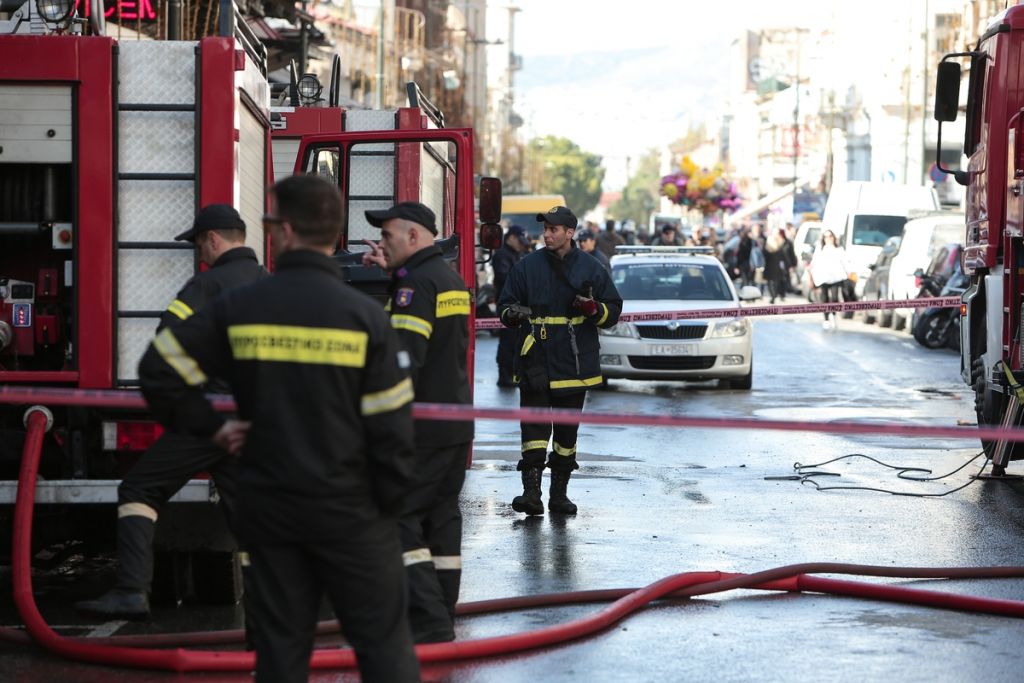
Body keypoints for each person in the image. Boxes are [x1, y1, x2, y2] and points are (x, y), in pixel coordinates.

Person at [138, 175, 421, 683]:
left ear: (282, 231)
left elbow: (160, 370)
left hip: (272, 512)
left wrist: (214, 429)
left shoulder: (240, 308)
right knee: (385, 654)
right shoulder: (364, 318)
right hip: (352, 514)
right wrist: (385, 509)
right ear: (332, 231)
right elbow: (393, 430)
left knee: (280, 658)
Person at [76, 204, 267, 619]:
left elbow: (167, 344)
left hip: (211, 420)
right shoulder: (273, 285)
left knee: (138, 489)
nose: (200, 254)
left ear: (214, 239)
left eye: (200, 244)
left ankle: (132, 590)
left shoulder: (207, 285)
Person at [362, 201, 472, 644]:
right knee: (441, 518)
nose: (381, 244)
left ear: (413, 237)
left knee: (398, 515)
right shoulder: (446, 278)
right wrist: (391, 274)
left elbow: (403, 361)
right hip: (453, 423)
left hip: (421, 428)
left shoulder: (415, 287)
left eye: (387, 236)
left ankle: (428, 621)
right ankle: (443, 609)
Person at [498, 206, 622, 516]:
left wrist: (593, 309)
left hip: (574, 361)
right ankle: (530, 494)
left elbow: (613, 312)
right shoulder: (527, 266)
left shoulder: (592, 268)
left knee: (566, 437)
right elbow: (505, 304)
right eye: (546, 229)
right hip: (535, 355)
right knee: (533, 433)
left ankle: (559, 496)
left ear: (570, 233)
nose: (548, 234)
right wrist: (513, 314)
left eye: (554, 229)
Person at [492, 225, 530, 387]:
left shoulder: (517, 254)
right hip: (507, 305)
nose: (521, 245)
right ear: (511, 237)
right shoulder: (502, 255)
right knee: (508, 341)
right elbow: (503, 277)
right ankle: (504, 375)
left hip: (519, 304)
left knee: (516, 341)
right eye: (519, 241)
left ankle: (514, 373)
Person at [809, 228, 850, 330]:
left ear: (833, 237)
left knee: (835, 298)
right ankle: (826, 319)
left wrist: (848, 272)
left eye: (830, 236)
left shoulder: (839, 249)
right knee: (824, 298)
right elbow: (815, 261)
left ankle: (834, 315)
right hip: (823, 277)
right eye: (826, 236)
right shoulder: (820, 249)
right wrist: (810, 269)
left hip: (836, 277)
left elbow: (845, 262)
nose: (828, 238)